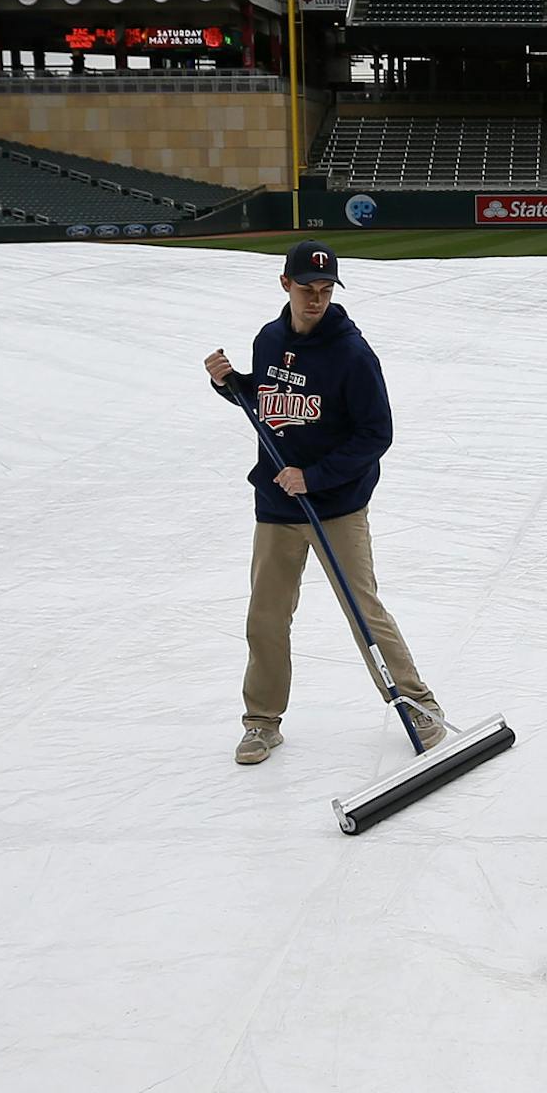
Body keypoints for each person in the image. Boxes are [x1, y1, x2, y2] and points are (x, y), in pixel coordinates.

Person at [203, 240, 444, 766]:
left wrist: (314, 477)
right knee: (265, 619)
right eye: (308, 288)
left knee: (364, 611)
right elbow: (267, 399)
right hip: (276, 506)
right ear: (285, 284)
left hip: (337, 507)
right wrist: (230, 384)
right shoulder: (269, 340)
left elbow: (376, 434)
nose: (317, 299)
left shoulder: (352, 354)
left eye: (326, 289)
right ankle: (262, 723)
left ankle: (419, 705)